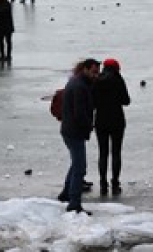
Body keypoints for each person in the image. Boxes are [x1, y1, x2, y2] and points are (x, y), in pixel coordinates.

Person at [58, 58, 100, 214]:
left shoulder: (78, 82)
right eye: (94, 72)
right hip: (74, 131)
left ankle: (65, 194)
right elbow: (79, 112)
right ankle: (74, 203)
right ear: (86, 69)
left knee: (76, 163)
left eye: (98, 72)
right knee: (80, 167)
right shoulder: (79, 86)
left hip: (70, 130)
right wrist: (89, 125)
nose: (96, 75)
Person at [92, 58, 131, 197]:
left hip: (101, 120)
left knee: (102, 153)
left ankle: (103, 183)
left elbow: (93, 102)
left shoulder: (97, 81)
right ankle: (115, 183)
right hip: (117, 120)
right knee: (116, 152)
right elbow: (126, 101)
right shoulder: (118, 80)